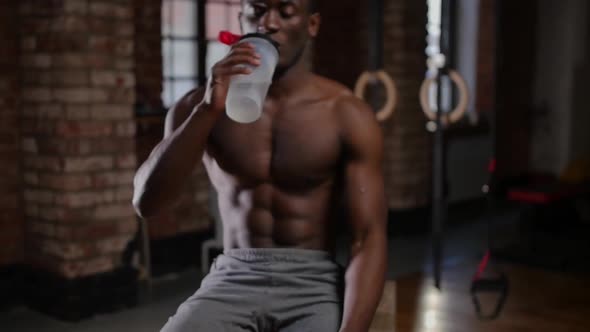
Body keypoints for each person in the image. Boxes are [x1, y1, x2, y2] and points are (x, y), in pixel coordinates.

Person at [132, 0, 387, 331]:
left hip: (315, 284)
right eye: (257, 10)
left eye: (285, 11)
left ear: (312, 24)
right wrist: (208, 110)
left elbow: (367, 239)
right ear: (242, 20)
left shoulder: (346, 114)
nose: (268, 22)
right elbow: (146, 204)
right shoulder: (200, 106)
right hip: (234, 276)